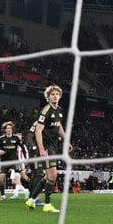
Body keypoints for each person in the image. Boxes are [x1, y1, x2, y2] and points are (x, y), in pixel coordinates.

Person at [25, 85, 72, 213]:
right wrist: (41, 149)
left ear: (60, 96)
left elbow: (59, 126)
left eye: (57, 94)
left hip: (53, 145)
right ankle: (47, 204)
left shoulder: (59, 110)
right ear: (48, 97)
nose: (55, 96)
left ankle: (31, 199)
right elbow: (38, 131)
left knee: (48, 176)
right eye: (52, 94)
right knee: (53, 174)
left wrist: (66, 139)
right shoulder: (45, 111)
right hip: (46, 146)